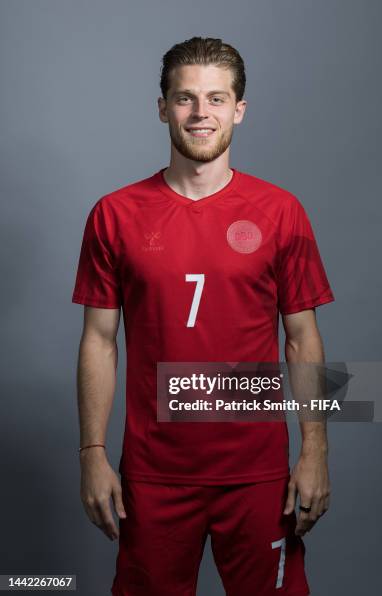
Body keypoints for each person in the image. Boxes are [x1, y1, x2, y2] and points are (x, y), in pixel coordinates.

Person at [72, 36, 334, 596]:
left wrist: (315, 451)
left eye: (216, 99)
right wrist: (92, 454)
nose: (200, 114)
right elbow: (99, 340)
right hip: (153, 475)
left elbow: (302, 340)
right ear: (163, 107)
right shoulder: (114, 215)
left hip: (259, 475)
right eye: (186, 98)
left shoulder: (282, 212)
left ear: (239, 109)